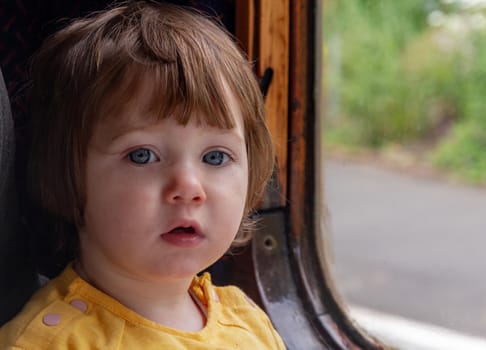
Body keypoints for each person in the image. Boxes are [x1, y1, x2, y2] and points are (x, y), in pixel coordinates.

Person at [0, 1, 285, 348]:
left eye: (215, 157)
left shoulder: (249, 323)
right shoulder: (51, 342)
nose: (189, 187)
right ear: (67, 174)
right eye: (142, 155)